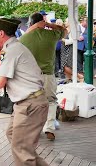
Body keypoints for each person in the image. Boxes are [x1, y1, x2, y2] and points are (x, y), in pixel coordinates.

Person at [0, 17, 49, 165]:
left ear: (2, 33)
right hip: (27, 103)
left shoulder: (12, 51)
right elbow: (2, 80)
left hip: (29, 104)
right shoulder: (13, 48)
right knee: (15, 138)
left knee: (21, 149)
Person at [19, 13, 67, 141]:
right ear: (42, 22)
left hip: (29, 77)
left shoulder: (24, 38)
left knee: (31, 103)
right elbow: (64, 31)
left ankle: (33, 129)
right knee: (51, 101)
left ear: (30, 23)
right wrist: (49, 24)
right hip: (47, 75)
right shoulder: (51, 35)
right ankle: (49, 128)